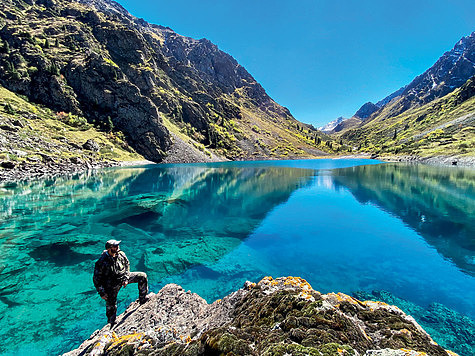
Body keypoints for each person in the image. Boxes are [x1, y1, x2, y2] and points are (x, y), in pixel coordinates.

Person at [93, 239, 148, 326]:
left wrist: (126, 278)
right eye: (115, 246)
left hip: (122, 278)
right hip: (111, 285)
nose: (117, 247)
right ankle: (111, 323)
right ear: (109, 249)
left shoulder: (121, 254)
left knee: (142, 276)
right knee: (111, 304)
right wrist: (102, 292)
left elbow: (127, 264)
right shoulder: (101, 262)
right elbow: (96, 279)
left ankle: (143, 299)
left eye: (117, 245)